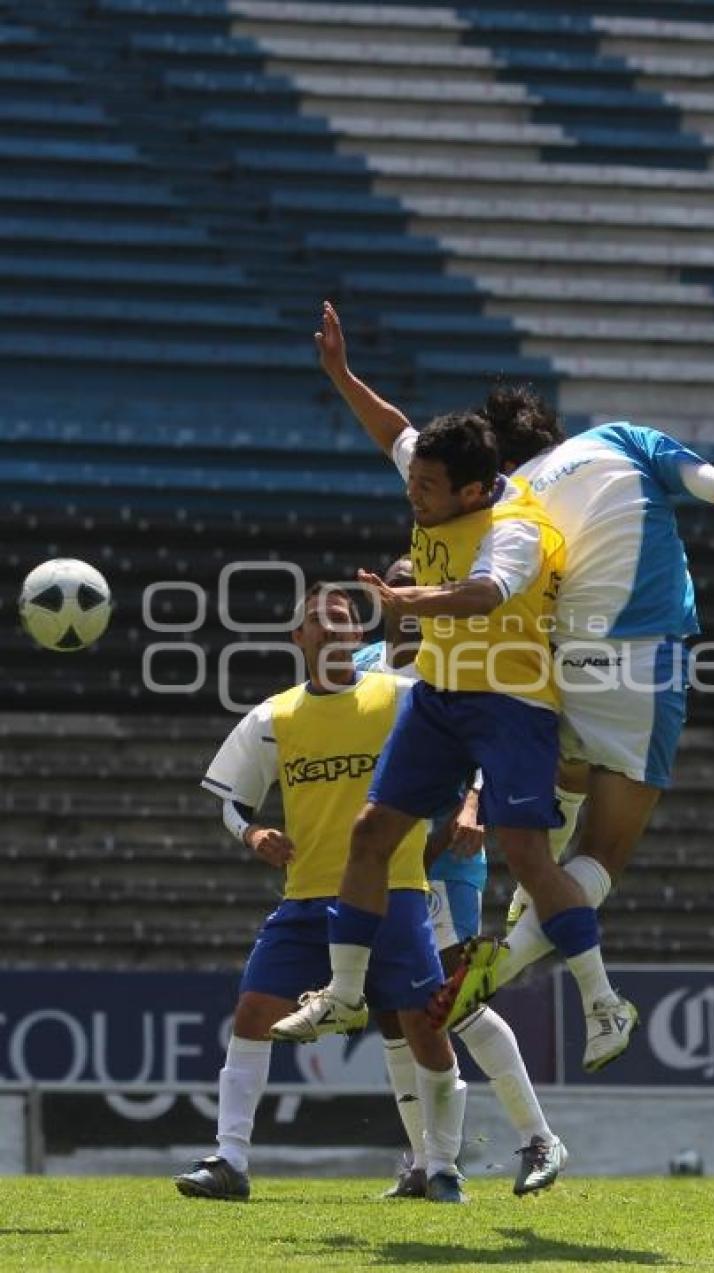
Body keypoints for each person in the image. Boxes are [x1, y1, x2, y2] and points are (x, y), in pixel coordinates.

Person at [311, 300, 714, 1035]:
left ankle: (510, 932)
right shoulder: (623, 441)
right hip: (639, 665)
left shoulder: (507, 497)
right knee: (603, 849)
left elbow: (397, 435)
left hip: (552, 671)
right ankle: (524, 953)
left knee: (548, 806)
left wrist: (340, 372)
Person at [272, 385, 636, 1074]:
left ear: (473, 491)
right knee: (371, 831)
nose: (415, 496)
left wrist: (409, 597)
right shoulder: (436, 473)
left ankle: (603, 1000)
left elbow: (486, 592)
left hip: (512, 703)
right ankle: (345, 993)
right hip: (440, 697)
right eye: (414, 483)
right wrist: (342, 374)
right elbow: (395, 431)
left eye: (429, 489)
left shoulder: (516, 527)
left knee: (530, 859)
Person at [174, 584, 467, 1204]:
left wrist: (470, 803)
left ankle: (439, 1166)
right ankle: (230, 1159)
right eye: (316, 620)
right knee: (254, 1012)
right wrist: (252, 831)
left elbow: (475, 741)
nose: (331, 626)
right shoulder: (273, 717)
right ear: (299, 640)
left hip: (395, 895)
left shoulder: (402, 697)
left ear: (358, 636)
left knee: (424, 1031)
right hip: (308, 898)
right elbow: (231, 799)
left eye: (341, 618)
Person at [354, 558, 568, 1196]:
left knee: (454, 1000)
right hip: (387, 851)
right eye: (402, 578)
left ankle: (539, 1137)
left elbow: (486, 737)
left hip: (446, 849)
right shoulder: (365, 665)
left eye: (425, 580)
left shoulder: (466, 652)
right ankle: (424, 1161)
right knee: (396, 1011)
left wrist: (474, 805)